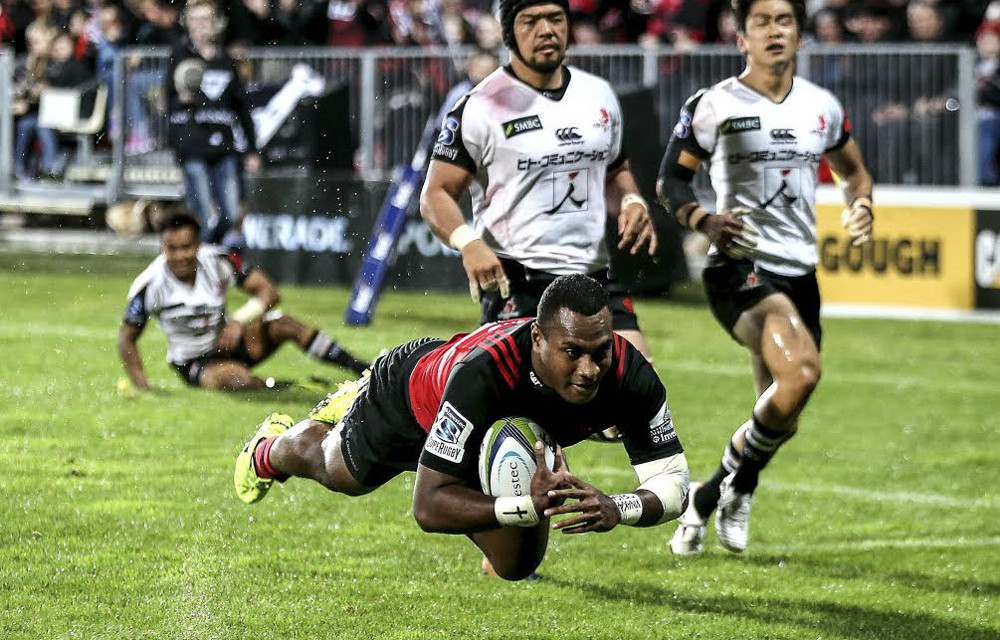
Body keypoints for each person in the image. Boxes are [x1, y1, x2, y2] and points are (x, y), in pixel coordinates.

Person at [233, 275, 690, 581]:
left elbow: (674, 484)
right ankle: (270, 448)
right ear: (538, 339)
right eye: (573, 352)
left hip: (487, 431)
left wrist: (619, 507)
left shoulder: (631, 377)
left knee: (514, 565)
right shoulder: (485, 374)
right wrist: (520, 505)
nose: (590, 369)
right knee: (338, 473)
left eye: (601, 351)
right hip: (410, 397)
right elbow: (428, 508)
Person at [656, 0, 874, 555]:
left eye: (785, 21)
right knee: (801, 372)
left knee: (783, 414)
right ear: (741, 38)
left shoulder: (821, 107)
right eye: (762, 22)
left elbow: (853, 171)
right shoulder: (715, 105)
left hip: (800, 273)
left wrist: (862, 203)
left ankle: (706, 499)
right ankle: (744, 485)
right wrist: (704, 219)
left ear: (800, 35)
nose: (775, 31)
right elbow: (671, 184)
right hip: (739, 267)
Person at [419, 0, 658, 363]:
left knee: (638, 386)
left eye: (555, 18)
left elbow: (615, 168)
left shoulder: (599, 94)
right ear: (509, 32)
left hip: (592, 272)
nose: (546, 30)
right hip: (519, 278)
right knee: (544, 405)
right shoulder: (480, 105)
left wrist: (632, 201)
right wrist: (468, 242)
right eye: (531, 21)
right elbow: (435, 193)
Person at [118, 212, 369, 392]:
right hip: (196, 361)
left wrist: (238, 321)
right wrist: (143, 387)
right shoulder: (149, 285)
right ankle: (293, 387)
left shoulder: (219, 260)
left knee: (284, 323)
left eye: (186, 247)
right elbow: (126, 338)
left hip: (230, 342)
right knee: (240, 381)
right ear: (162, 247)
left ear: (198, 244)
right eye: (172, 249)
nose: (180, 256)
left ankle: (362, 370)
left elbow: (269, 291)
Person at [166, 0, 260, 247]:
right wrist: (182, 98)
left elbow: (241, 108)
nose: (200, 26)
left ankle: (207, 253)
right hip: (192, 145)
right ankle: (200, 261)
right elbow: (167, 101)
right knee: (203, 216)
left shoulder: (227, 60)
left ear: (216, 23)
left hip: (223, 147)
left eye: (205, 19)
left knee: (230, 214)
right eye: (195, 19)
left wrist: (251, 148)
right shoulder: (179, 55)